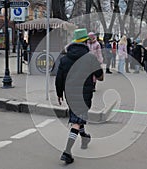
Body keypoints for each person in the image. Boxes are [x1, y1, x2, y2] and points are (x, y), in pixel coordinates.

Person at [55, 28, 104, 164]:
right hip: (84, 94)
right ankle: (67, 152)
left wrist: (59, 93)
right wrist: (98, 75)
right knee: (77, 121)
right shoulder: (90, 58)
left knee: (77, 117)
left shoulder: (65, 59)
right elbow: (100, 76)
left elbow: (59, 77)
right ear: (85, 42)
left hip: (69, 94)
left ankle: (85, 137)